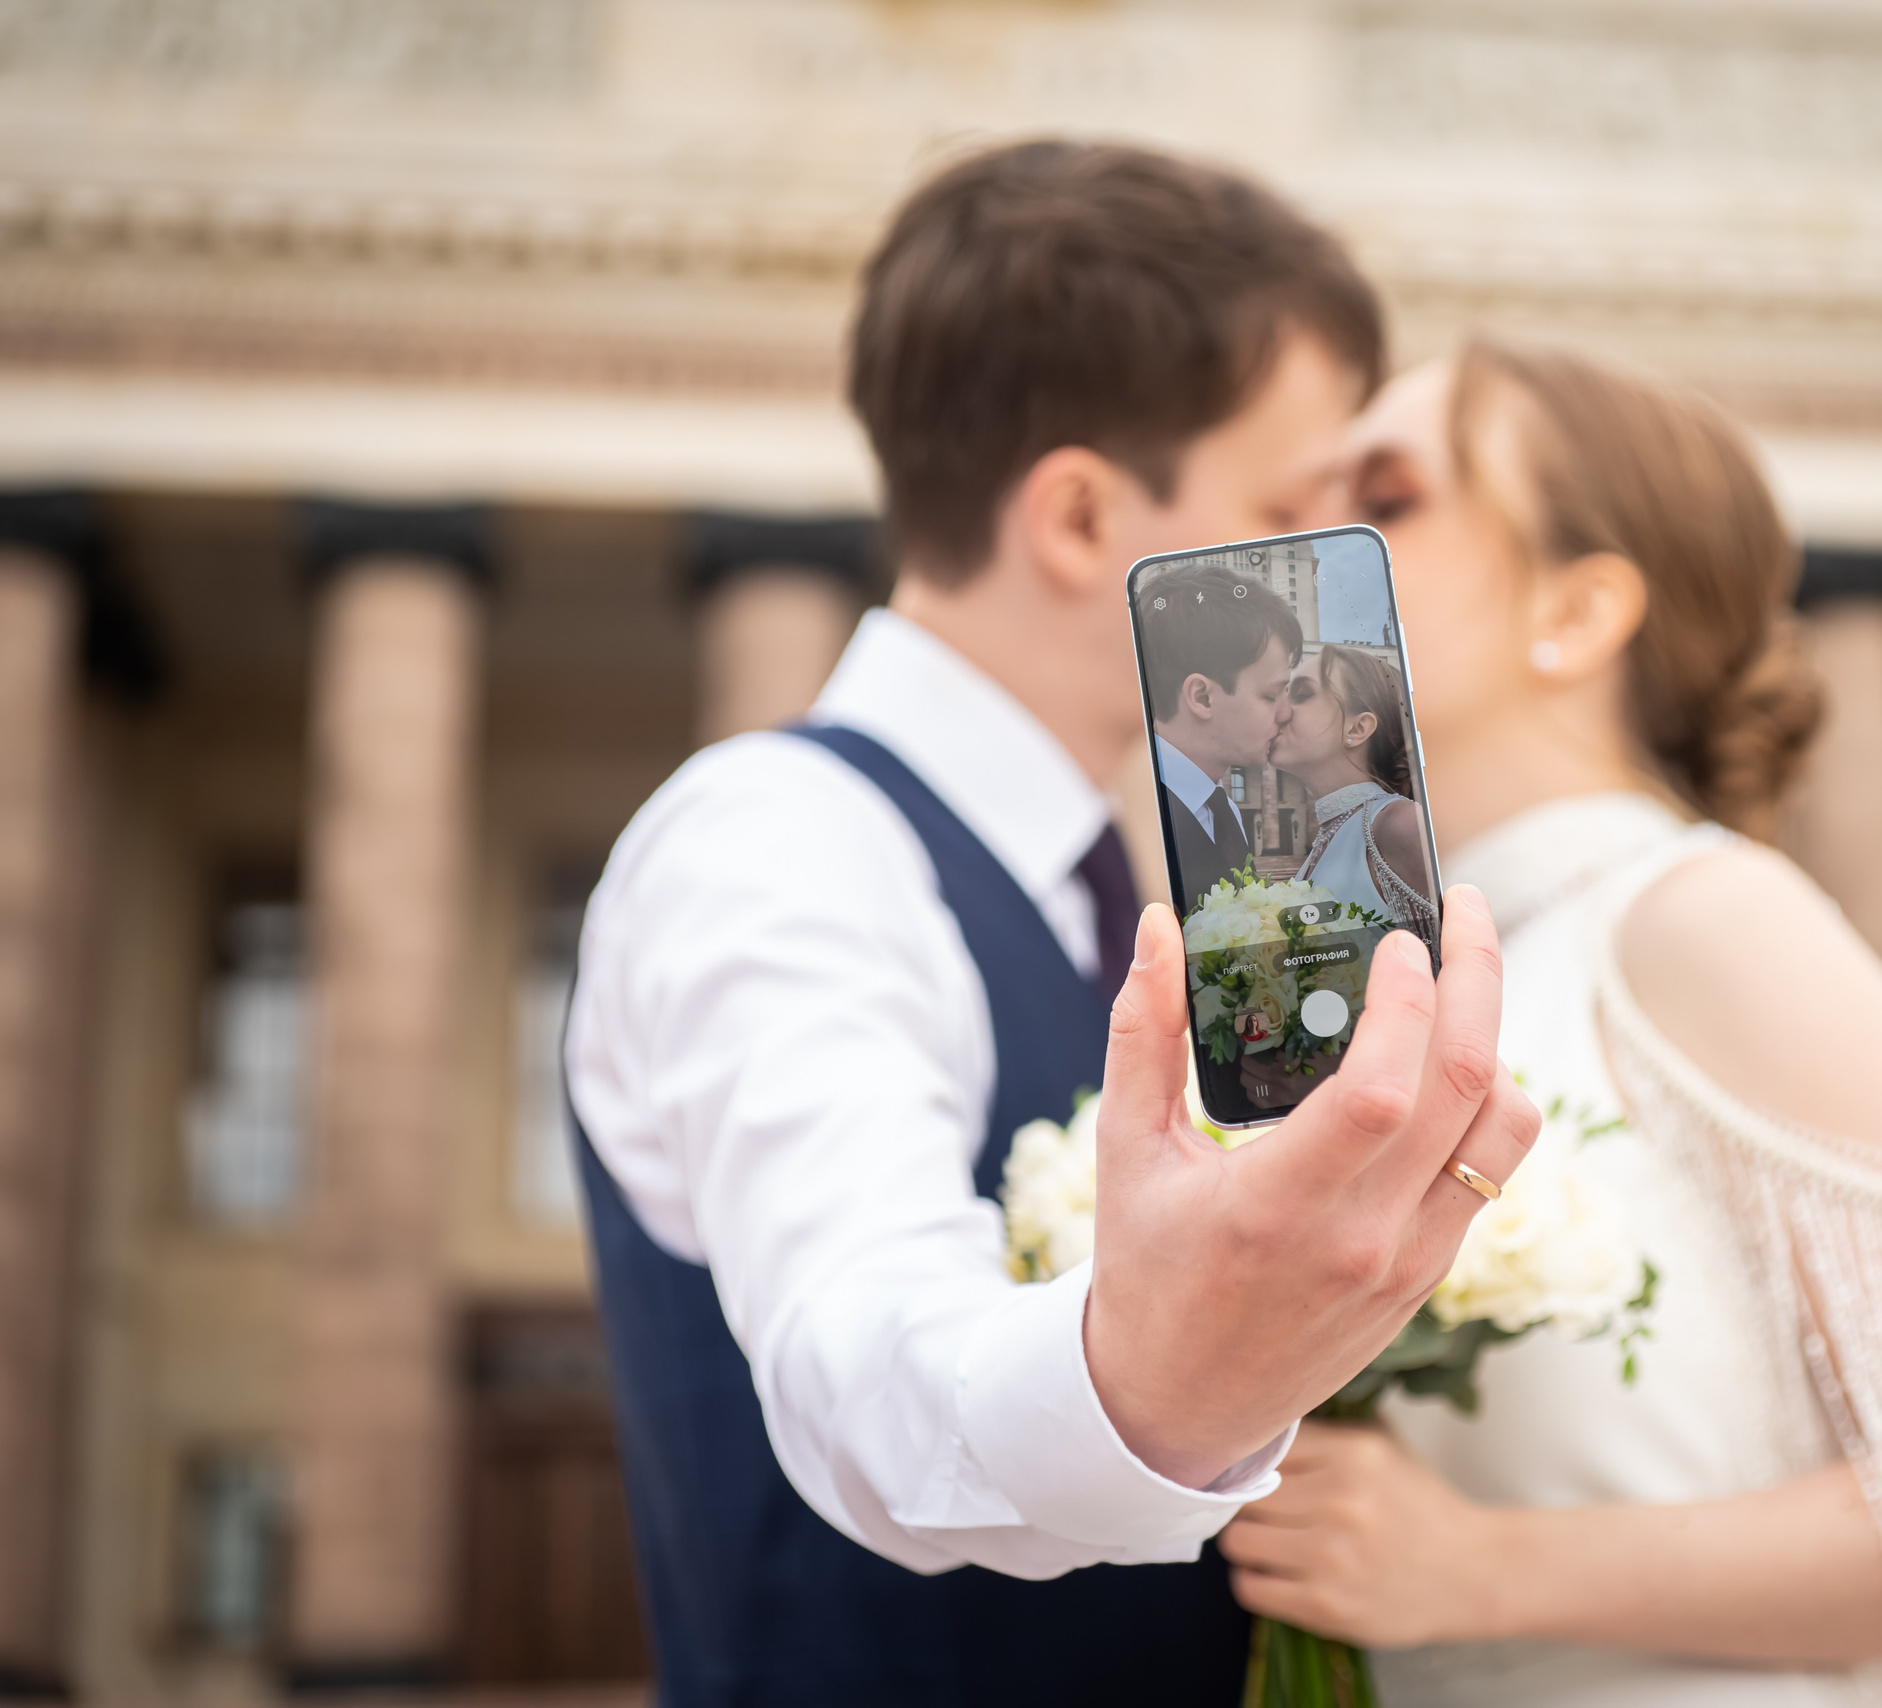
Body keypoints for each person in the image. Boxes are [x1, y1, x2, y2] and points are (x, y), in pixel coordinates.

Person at [565, 144, 1541, 1708]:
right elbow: (865, 1362)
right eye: (1284, 514)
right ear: (1081, 518)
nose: (1327, 580)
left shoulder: (1148, 883)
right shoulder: (776, 841)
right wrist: (1159, 1371)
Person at [1220, 340, 1882, 1706]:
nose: (1301, 543)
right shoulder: (1377, 984)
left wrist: (1478, 1567)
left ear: (1578, 609)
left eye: (1387, 496)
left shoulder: (1711, 920)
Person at [1139, 562, 1302, 912]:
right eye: (1270, 695)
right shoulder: (1134, 830)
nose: (1286, 712)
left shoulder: (1222, 809)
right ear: (1202, 697)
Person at [1271, 643, 1436, 935]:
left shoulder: (1401, 823)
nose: (1280, 710)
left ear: (1357, 728)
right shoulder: (1328, 837)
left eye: (1302, 695)